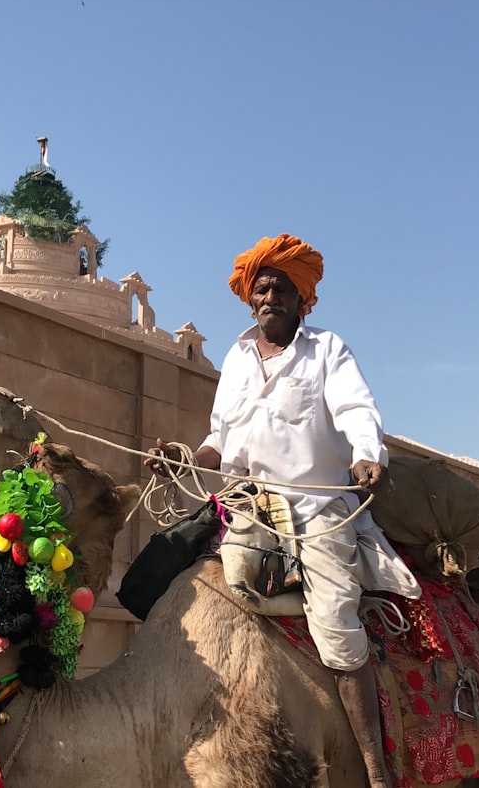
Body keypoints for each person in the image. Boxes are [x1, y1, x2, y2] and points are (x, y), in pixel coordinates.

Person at [146, 233, 419, 788]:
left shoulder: (327, 351)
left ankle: (375, 769)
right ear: (250, 299)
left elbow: (355, 409)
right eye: (261, 287)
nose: (268, 295)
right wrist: (184, 457)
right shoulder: (238, 358)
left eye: (280, 288)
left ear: (302, 300)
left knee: (336, 625)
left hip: (319, 507)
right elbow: (220, 439)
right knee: (159, 576)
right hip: (249, 506)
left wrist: (367, 456)